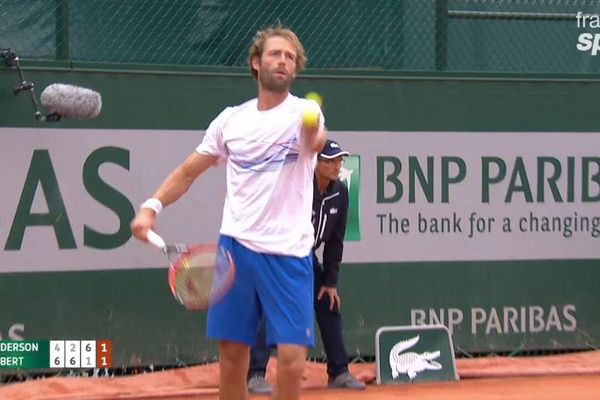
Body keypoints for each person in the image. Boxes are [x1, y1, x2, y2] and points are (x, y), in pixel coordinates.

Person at [130, 26, 326, 400]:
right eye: (274, 54)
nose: (282, 60)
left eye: (289, 57)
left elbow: (314, 139)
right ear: (256, 63)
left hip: (289, 254)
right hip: (236, 249)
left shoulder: (306, 111)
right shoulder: (230, 121)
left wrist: (314, 128)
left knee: (292, 359)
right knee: (232, 355)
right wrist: (150, 208)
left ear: (295, 69)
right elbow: (189, 171)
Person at [247, 139, 366, 394]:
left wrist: (330, 282)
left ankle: (339, 372)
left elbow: (335, 243)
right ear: (315, 163)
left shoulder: (341, 193)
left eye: (339, 160)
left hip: (304, 255)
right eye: (331, 160)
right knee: (271, 309)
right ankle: (255, 375)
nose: (337, 165)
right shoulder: (297, 187)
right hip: (278, 252)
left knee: (328, 302)